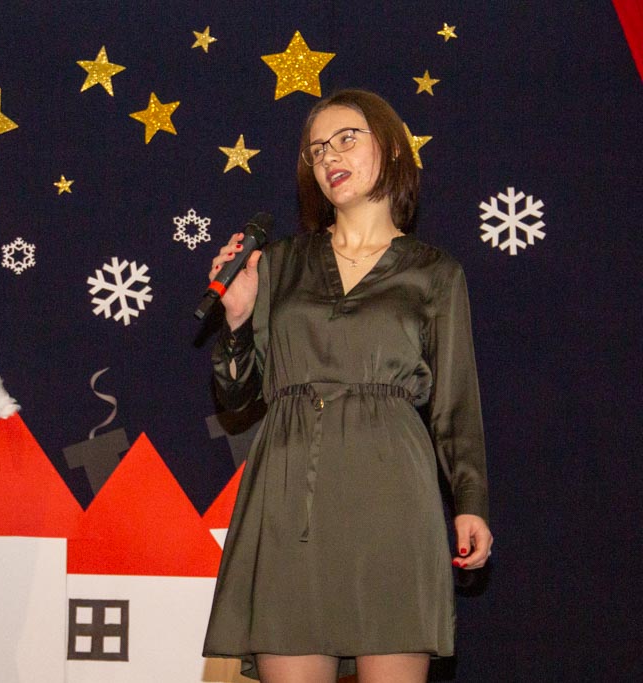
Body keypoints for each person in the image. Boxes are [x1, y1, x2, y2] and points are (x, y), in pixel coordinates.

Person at [202, 89, 493, 683]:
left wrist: (470, 503)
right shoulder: (279, 263)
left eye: (346, 139)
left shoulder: (435, 272)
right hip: (288, 497)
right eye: (316, 150)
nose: (329, 156)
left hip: (392, 499)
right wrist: (236, 319)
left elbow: (455, 404)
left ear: (391, 147)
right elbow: (236, 398)